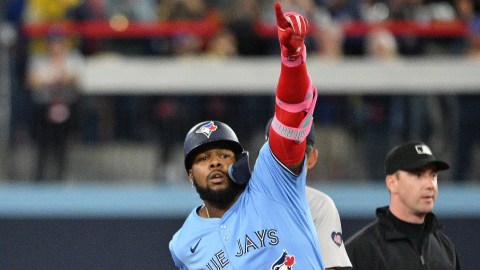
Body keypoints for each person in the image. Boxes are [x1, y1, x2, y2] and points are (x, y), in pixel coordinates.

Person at [169, 3, 326, 269]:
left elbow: (292, 111)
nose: (216, 162)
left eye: (224, 154)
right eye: (204, 158)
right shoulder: (183, 245)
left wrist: (292, 57)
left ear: (240, 161)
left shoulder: (273, 183)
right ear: (190, 174)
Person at [345, 142, 462, 270]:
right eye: (418, 175)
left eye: (433, 175)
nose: (430, 185)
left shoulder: (445, 248)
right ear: (392, 183)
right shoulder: (362, 250)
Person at [265, 118, 352, 269]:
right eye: (278, 150)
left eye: (294, 151)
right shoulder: (236, 200)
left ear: (311, 158)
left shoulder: (318, 205)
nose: (286, 159)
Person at [26, 28, 84, 181]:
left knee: (63, 147)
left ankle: (61, 178)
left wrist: (55, 78)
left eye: (58, 42)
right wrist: (54, 78)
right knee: (43, 147)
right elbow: (32, 81)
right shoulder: (39, 59)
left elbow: (74, 78)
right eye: (52, 42)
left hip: (67, 106)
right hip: (44, 107)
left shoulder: (73, 58)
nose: (55, 46)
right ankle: (40, 179)